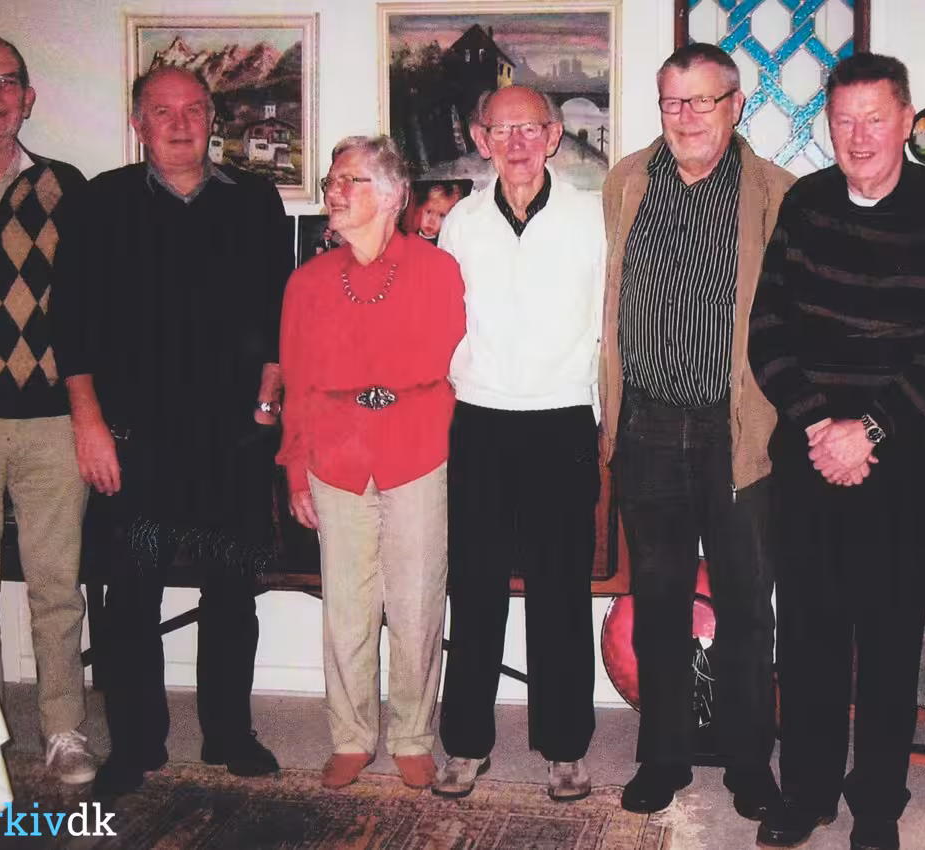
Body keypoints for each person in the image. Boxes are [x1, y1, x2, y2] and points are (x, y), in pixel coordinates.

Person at [748, 53, 925, 850]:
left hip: (900, 458)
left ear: (907, 120)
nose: (857, 136)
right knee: (807, 631)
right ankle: (807, 792)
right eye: (843, 119)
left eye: (874, 118)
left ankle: (878, 802)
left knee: (888, 637)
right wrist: (821, 425)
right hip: (809, 453)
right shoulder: (806, 202)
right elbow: (768, 331)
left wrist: (869, 431)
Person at [54, 65, 292, 797]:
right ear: (139, 123)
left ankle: (229, 732)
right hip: (137, 440)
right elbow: (71, 321)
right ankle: (136, 744)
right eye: (163, 111)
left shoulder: (254, 199)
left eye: (193, 109)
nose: (181, 123)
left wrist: (268, 401)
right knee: (131, 594)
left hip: (231, 440)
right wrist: (88, 423)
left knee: (232, 590)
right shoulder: (100, 202)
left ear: (212, 118)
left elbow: (278, 311)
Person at [600, 43, 795, 818]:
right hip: (646, 423)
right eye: (671, 101)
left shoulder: (776, 193)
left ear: (735, 105)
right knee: (658, 601)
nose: (684, 117)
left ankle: (750, 764)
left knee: (746, 605)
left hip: (736, 429)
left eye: (701, 100)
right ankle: (664, 757)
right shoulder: (626, 182)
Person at [434, 84, 605, 803]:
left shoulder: (592, 217)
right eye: (501, 131)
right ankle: (466, 743)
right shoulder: (461, 223)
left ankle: (565, 747)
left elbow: (609, 322)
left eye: (531, 129)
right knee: (474, 587)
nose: (517, 144)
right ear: (481, 140)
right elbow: (444, 321)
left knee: (560, 590)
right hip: (480, 419)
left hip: (562, 419)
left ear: (554, 137)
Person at [277, 136, 465, 790]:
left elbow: (451, 365)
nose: (333, 191)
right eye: (332, 180)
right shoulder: (306, 283)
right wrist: (295, 470)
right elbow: (297, 382)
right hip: (335, 457)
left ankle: (412, 735)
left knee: (417, 602)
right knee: (346, 607)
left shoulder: (437, 270)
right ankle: (351, 737)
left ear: (390, 196)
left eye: (349, 180)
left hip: (417, 451)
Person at [0, 32, 96, 785]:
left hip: (51, 417)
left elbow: (91, 299)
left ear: (29, 97)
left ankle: (64, 729)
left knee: (55, 586)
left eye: (7, 81)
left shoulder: (64, 186)